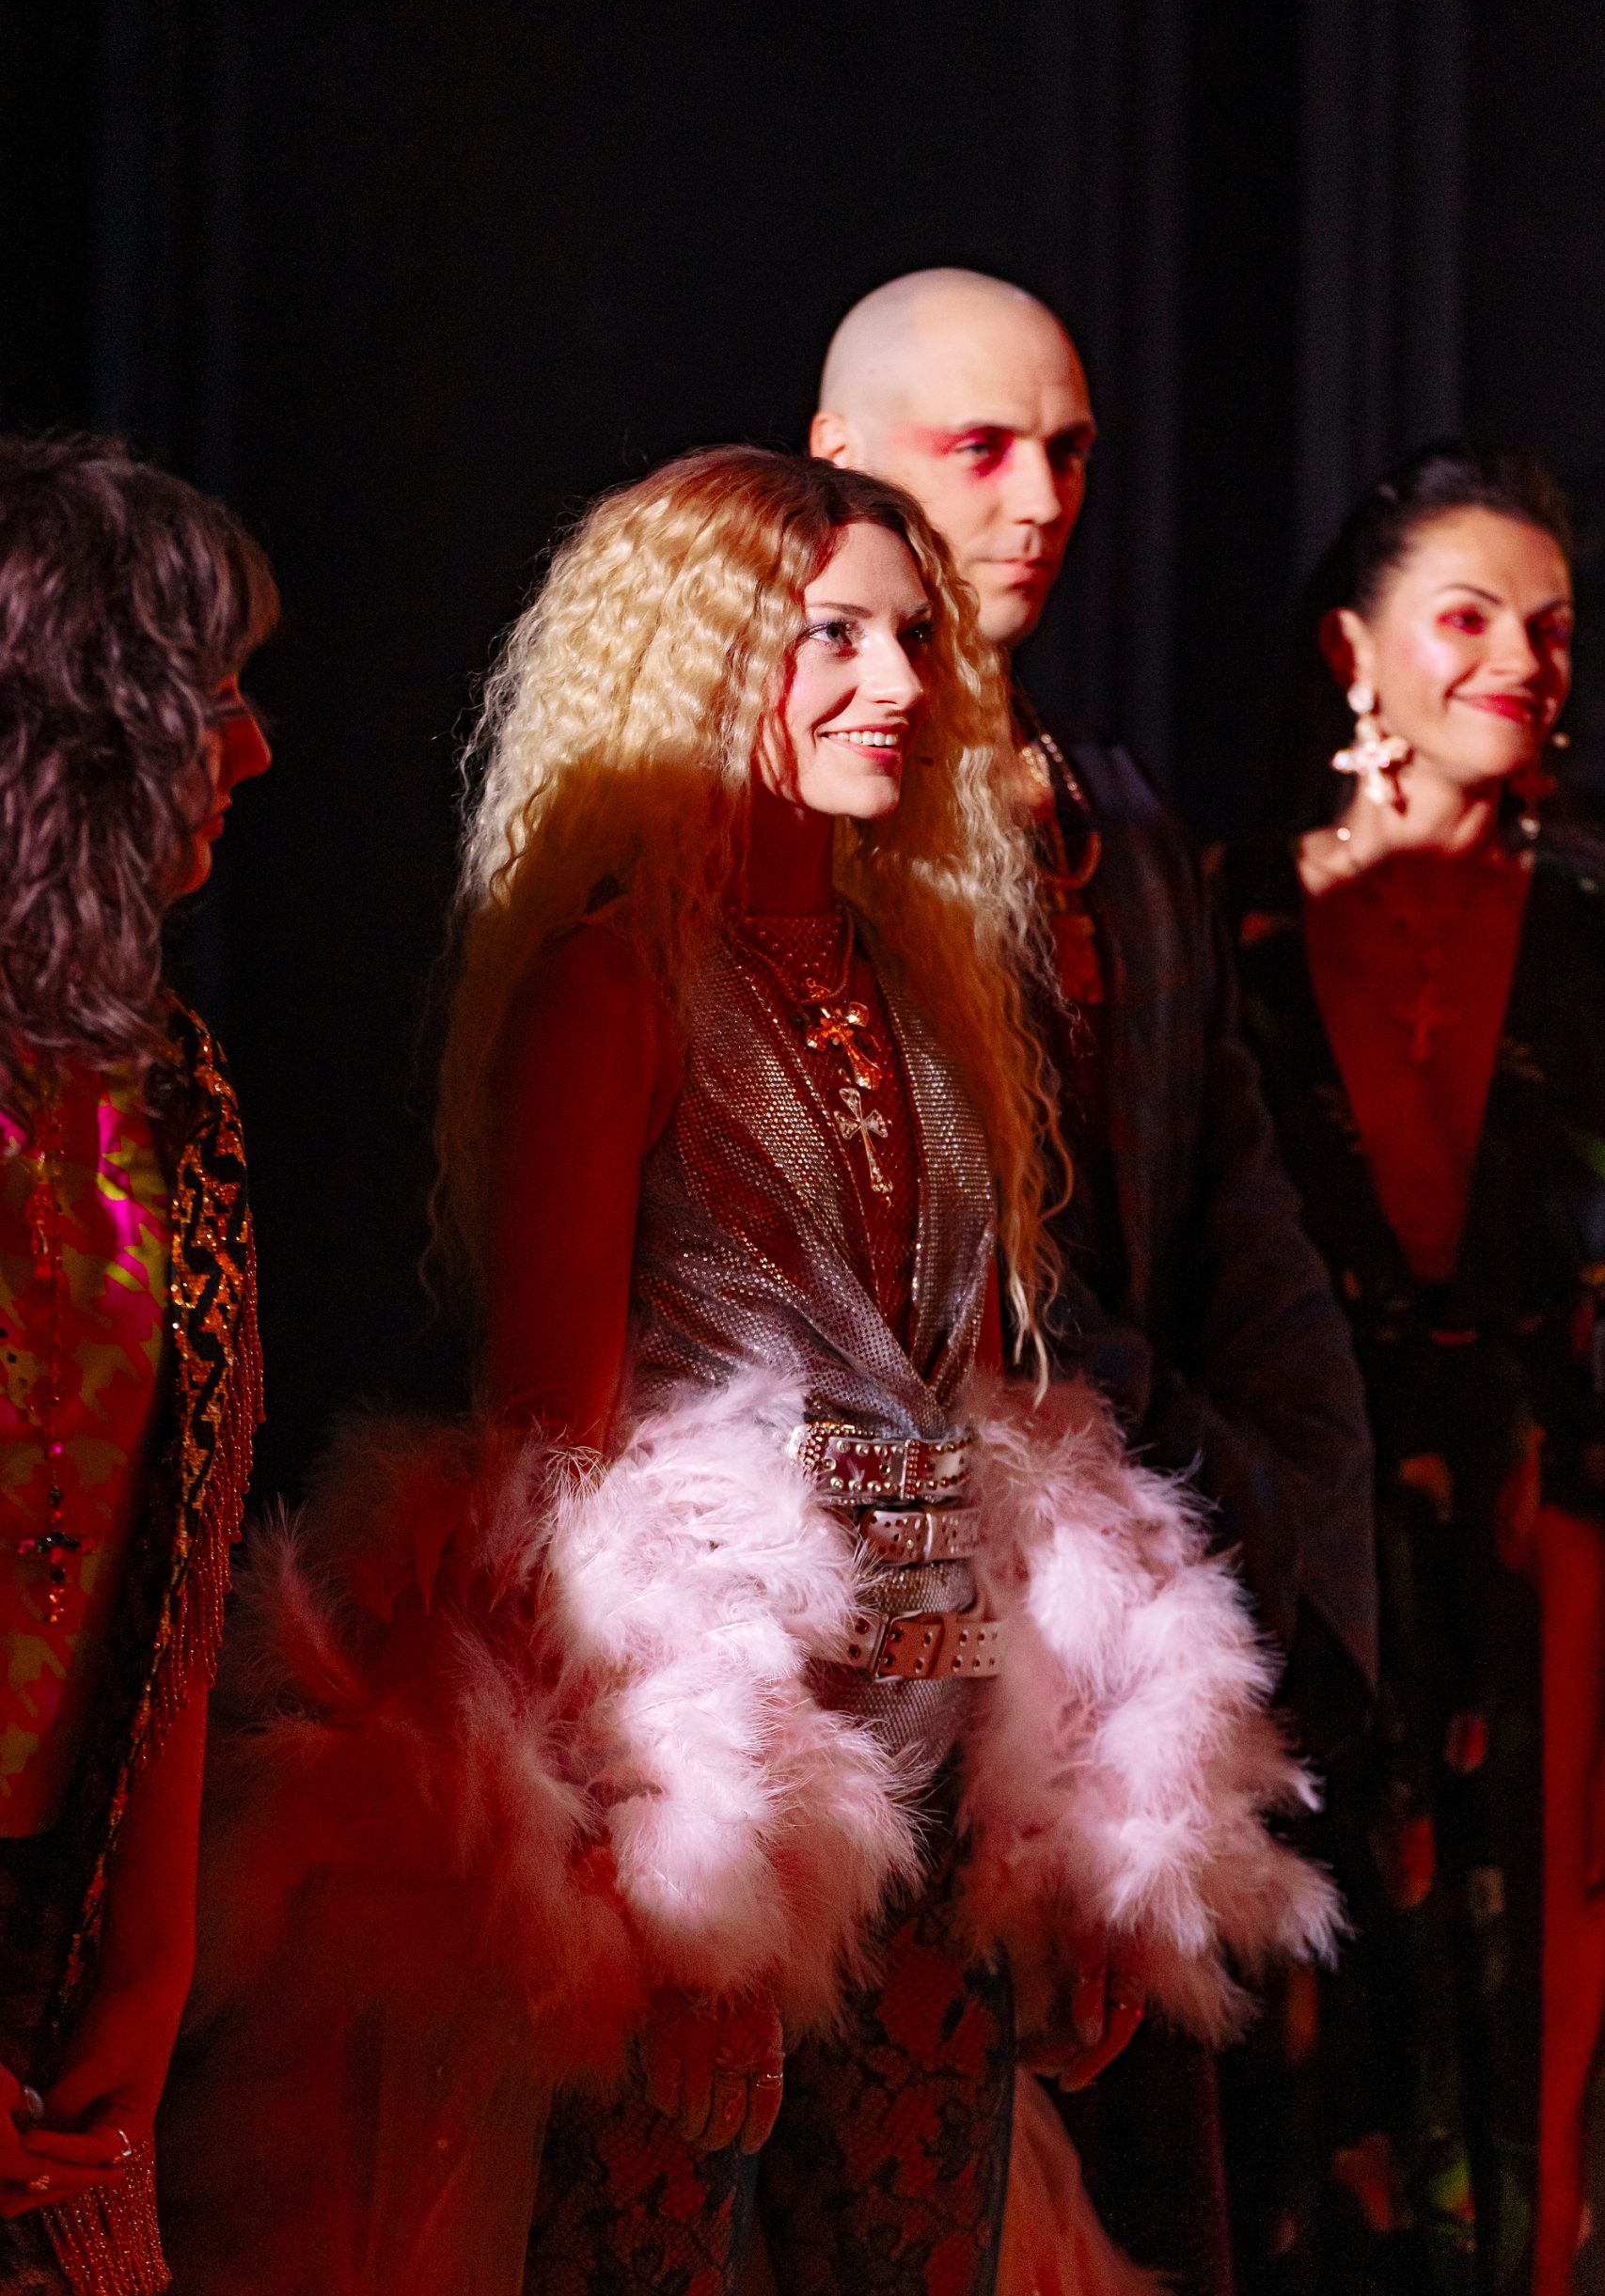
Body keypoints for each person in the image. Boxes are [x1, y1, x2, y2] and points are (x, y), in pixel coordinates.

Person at [163, 448, 1336, 2296]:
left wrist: (1059, 1838)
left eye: (914, 638)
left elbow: (979, 1435)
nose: (898, 681)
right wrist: (670, 1885)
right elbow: (550, 1469)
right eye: (832, 637)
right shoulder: (612, 989)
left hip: (930, 1782)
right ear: (703, 655)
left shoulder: (927, 989)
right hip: (706, 1790)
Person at [811, 267, 1377, 2293]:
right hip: (874, 1600)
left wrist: (1252, 1498)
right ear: (841, 458)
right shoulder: (781, 816)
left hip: (1135, 1578)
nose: (1040, 497)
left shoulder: (1112, 817)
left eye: (1066, 449)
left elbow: (1235, 1203)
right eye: (980, 448)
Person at [1215, 442, 1603, 2295]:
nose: (1520, 659)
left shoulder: (1594, 929)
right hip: (1294, 1564)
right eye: (1469, 616)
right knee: (1298, 2079)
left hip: (1554, 1578)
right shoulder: (1218, 922)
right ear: (1349, 649)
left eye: (1552, 629)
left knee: (1545, 2079)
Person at [0, 435, 275, 2294]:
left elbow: (177, 1574)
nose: (252, 753)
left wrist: (148, 1970)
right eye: (212, 696)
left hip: (57, 1914)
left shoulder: (166, 1084)